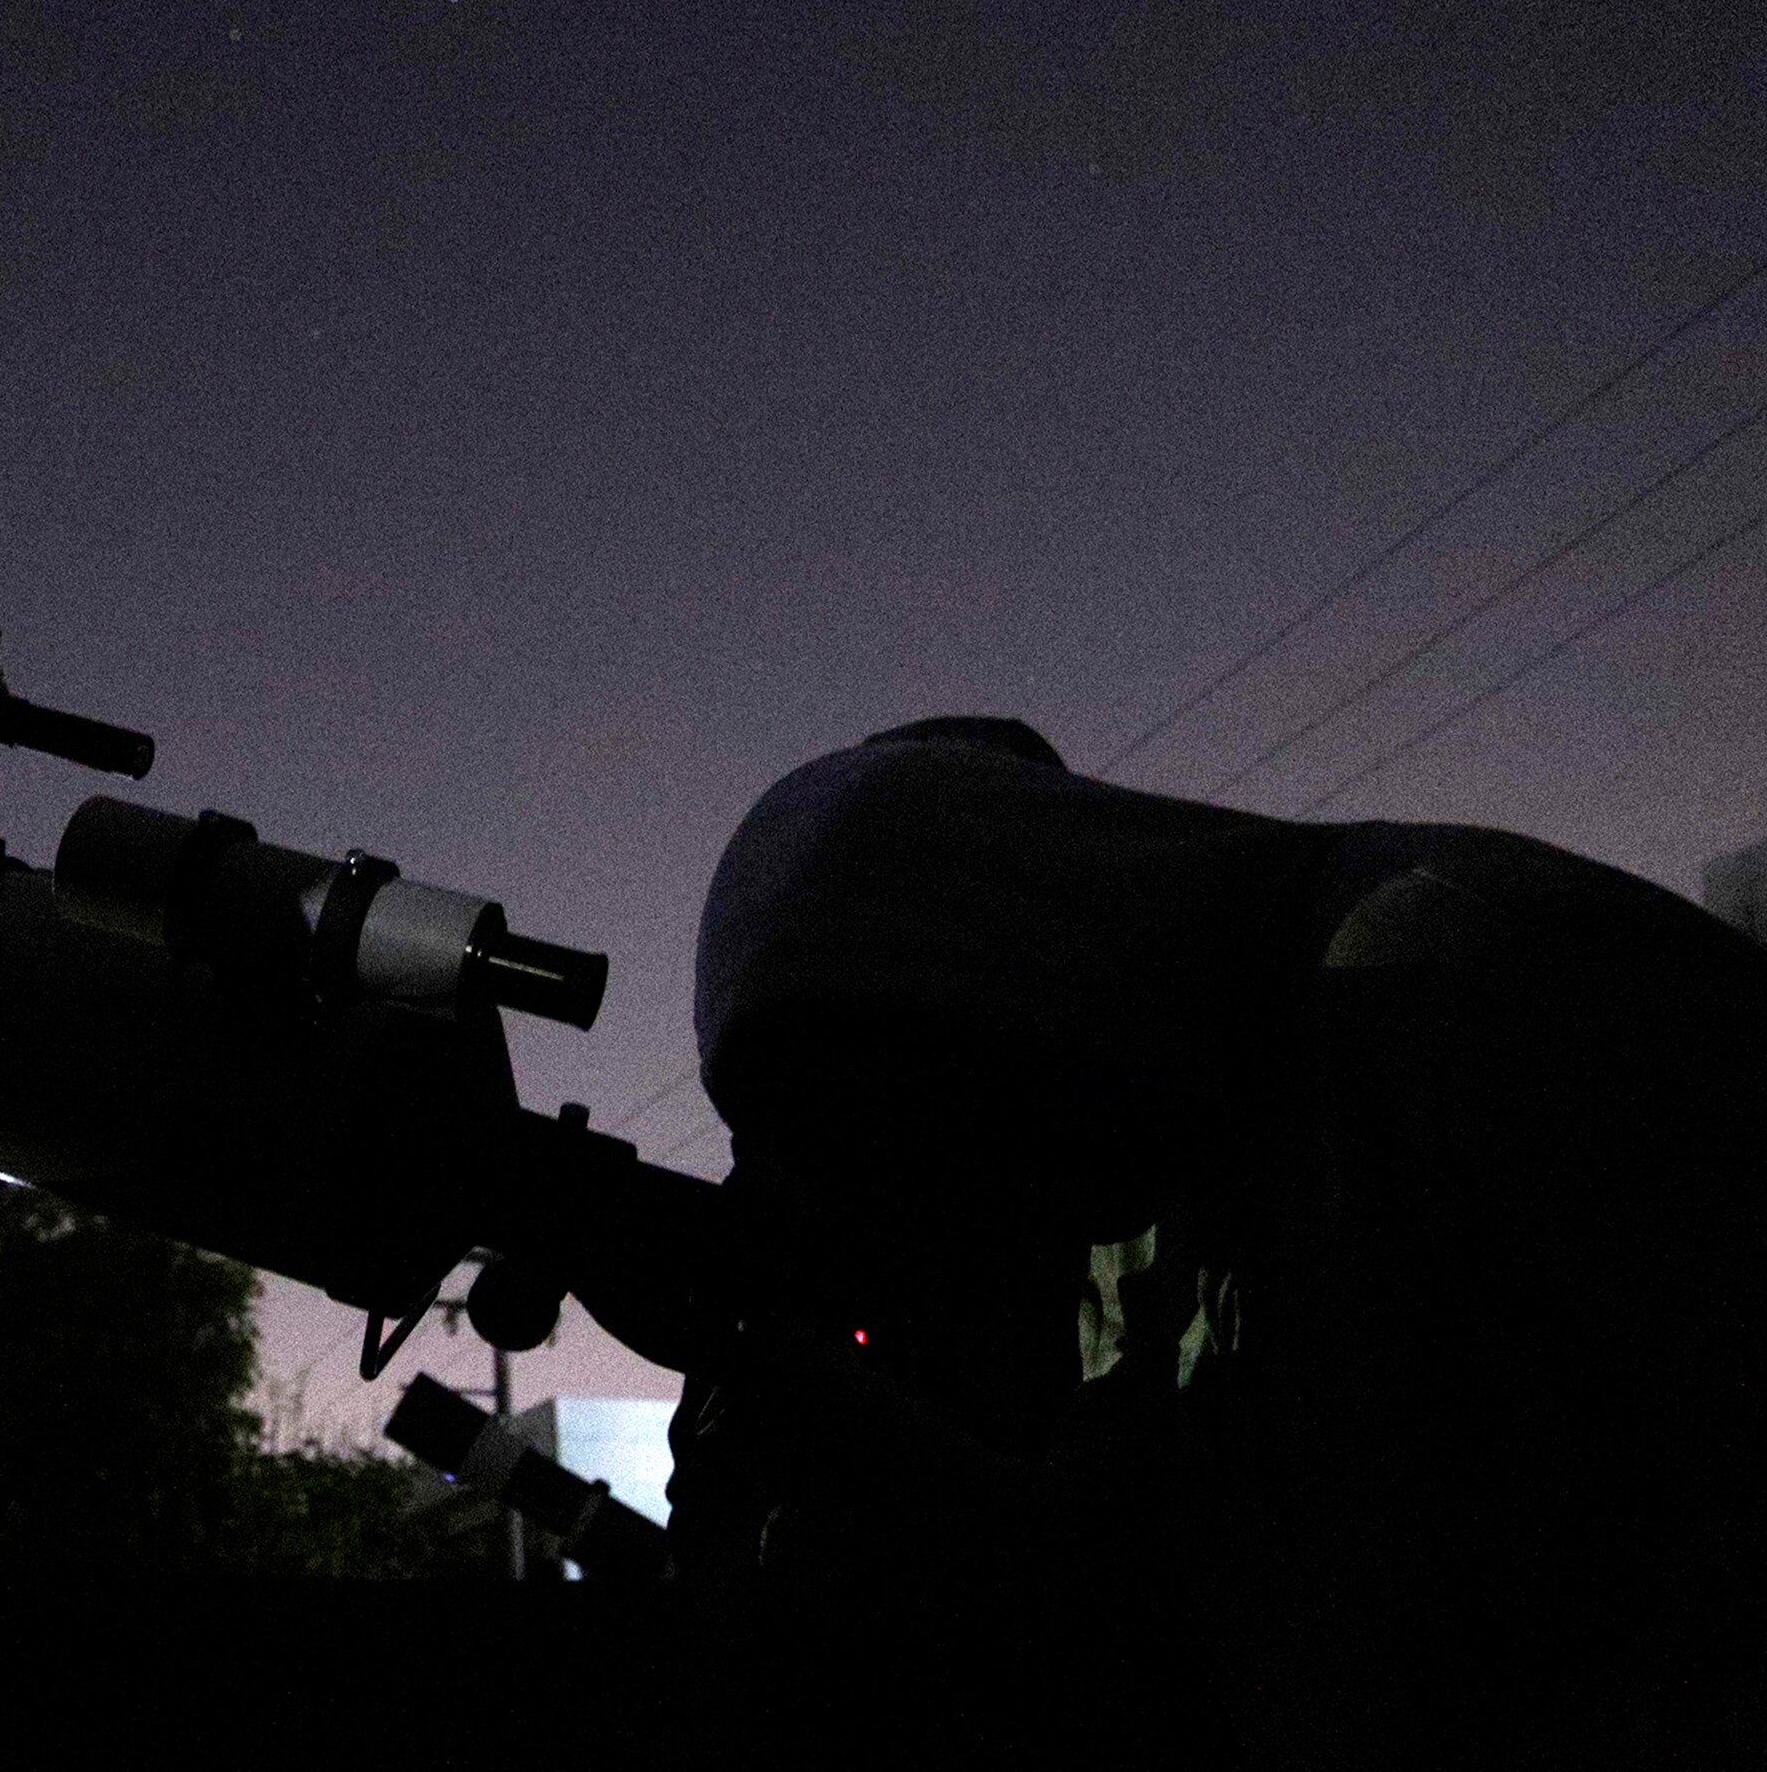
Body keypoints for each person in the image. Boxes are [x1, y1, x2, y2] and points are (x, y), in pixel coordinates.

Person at [672, 716, 1766, 1765]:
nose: (929, 1196)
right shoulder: (1154, 1171)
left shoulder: (1462, 996)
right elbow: (1149, 1585)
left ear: (995, 953)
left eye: (901, 1102)